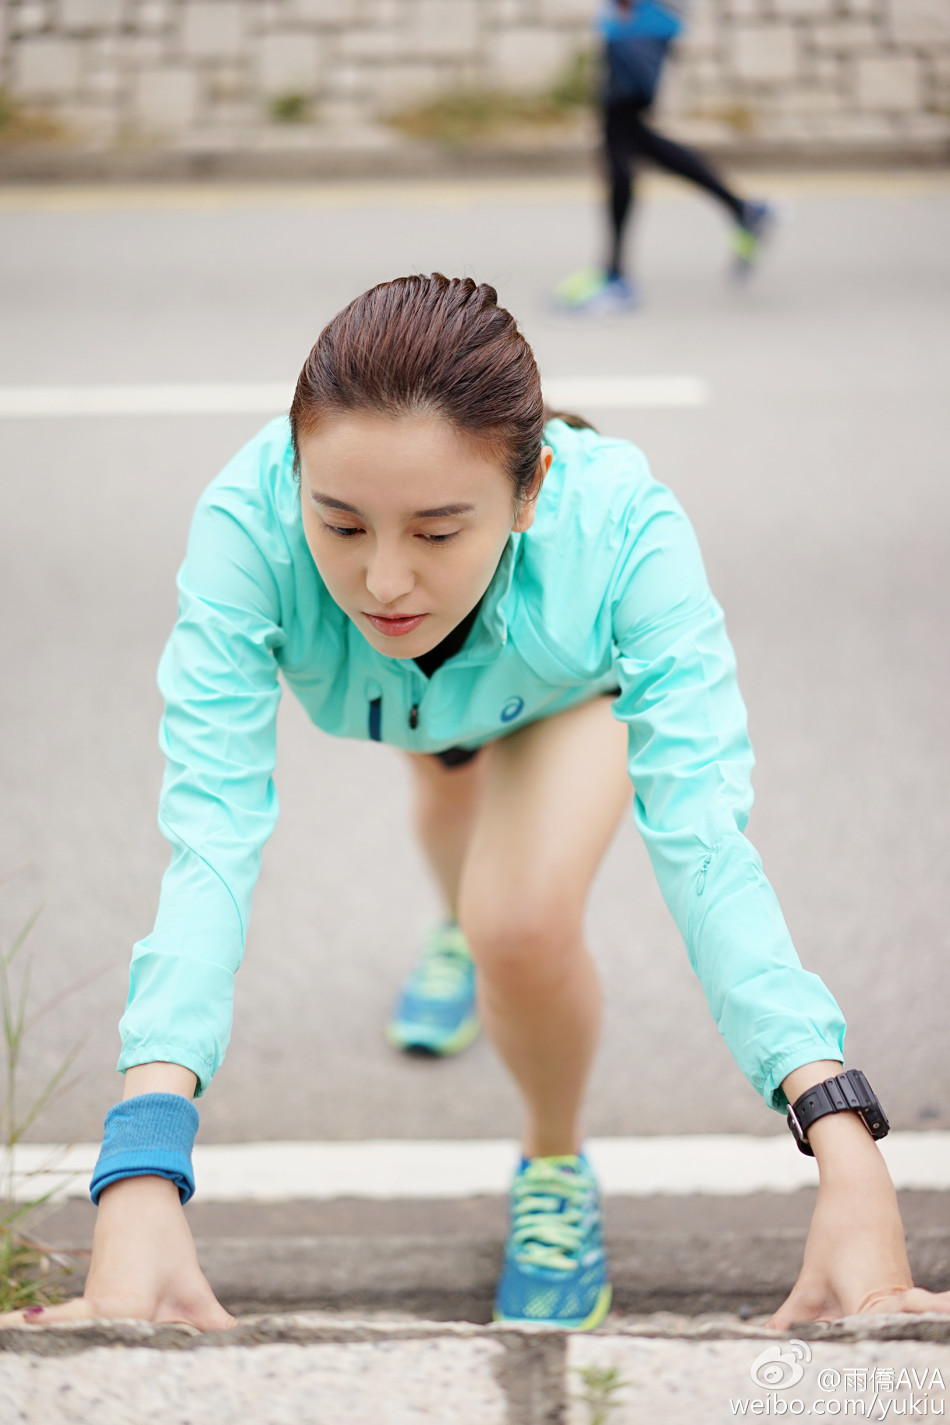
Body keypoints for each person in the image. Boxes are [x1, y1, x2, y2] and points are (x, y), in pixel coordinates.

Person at [5, 274, 948, 1335]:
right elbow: (209, 839)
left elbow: (703, 844)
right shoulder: (247, 526)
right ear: (294, 470)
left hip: (558, 689)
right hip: (402, 701)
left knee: (519, 921)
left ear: (531, 488)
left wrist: (838, 1133)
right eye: (340, 523)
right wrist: (141, 1162)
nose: (383, 581)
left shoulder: (623, 525)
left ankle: (551, 1161)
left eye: (439, 531)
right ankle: (448, 927)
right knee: (457, 847)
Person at [555, 0, 774, 314]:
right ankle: (742, 209)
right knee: (634, 140)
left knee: (621, 138)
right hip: (636, 21)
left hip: (639, 21)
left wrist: (625, 9)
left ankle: (616, 278)